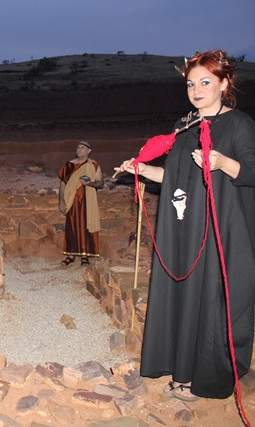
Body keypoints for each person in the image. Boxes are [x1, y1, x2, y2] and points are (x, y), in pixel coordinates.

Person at [116, 50, 255, 402]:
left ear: (224, 84)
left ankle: (206, 377)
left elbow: (251, 172)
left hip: (223, 230)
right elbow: (179, 179)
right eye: (191, 83)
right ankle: (181, 369)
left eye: (205, 82)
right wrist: (146, 171)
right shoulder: (185, 126)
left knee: (213, 301)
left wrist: (223, 162)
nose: (196, 90)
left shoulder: (240, 124)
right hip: (186, 229)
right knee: (186, 298)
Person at [58, 140, 103, 266]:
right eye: (78, 148)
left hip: (87, 200)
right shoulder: (69, 165)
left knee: (85, 226)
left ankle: (85, 255)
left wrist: (90, 183)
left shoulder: (93, 165)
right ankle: (70, 254)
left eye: (82, 148)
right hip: (71, 199)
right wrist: (61, 201)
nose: (79, 150)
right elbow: (62, 184)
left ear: (89, 151)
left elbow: (100, 182)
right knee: (71, 226)